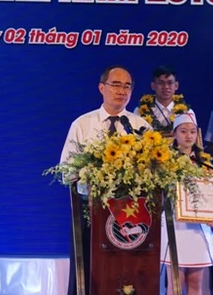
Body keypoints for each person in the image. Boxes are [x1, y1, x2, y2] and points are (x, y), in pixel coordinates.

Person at [60, 66, 147, 295]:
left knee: (126, 274)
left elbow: (152, 169)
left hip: (130, 215)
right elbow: (66, 169)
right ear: (101, 88)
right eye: (116, 84)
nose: (122, 91)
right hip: (91, 211)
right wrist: (88, 179)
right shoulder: (83, 124)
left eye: (127, 86)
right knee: (89, 274)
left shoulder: (140, 126)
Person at [160, 111, 213, 295]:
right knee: (176, 283)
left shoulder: (206, 161)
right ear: (174, 134)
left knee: (196, 282)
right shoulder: (165, 159)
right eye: (183, 131)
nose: (189, 136)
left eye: (193, 131)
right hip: (174, 225)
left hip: (199, 227)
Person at [137, 66, 191, 133]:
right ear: (153, 86)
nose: (166, 87)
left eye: (170, 83)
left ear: (176, 85)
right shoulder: (140, 111)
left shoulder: (187, 112)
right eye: (161, 83)